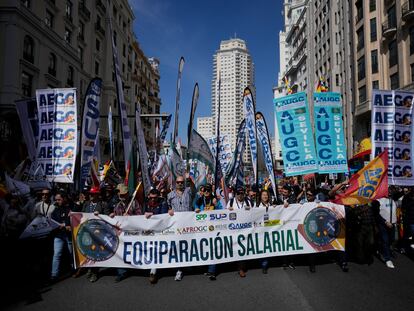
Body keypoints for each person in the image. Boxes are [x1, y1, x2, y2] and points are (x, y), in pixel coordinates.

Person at [109, 184, 140, 282]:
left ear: (127, 194)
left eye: (123, 195)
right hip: (121, 234)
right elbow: (116, 218)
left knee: (133, 250)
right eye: (120, 195)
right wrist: (113, 215)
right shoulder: (118, 205)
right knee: (120, 251)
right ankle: (121, 272)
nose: (121, 196)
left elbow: (140, 215)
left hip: (132, 232)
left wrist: (130, 216)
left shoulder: (134, 203)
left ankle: (136, 268)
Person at [167, 175, 194, 281]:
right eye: (178, 182)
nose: (180, 184)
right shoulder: (170, 195)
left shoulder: (189, 191)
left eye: (182, 182)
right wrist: (169, 210)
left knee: (189, 244)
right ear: (175, 183)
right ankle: (179, 269)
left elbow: (194, 187)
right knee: (178, 246)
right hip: (177, 225)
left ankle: (189, 264)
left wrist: (189, 179)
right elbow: (168, 207)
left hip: (188, 224)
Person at [82, 187, 111, 282]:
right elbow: (81, 215)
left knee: (95, 251)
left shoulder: (103, 204)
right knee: (88, 250)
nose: (90, 195)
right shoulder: (86, 204)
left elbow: (107, 217)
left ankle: (94, 272)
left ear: (97, 195)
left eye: (93, 194)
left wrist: (100, 214)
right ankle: (90, 268)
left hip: (99, 232)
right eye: (90, 194)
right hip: (87, 231)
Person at [227, 186, 252, 277]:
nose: (240, 195)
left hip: (245, 228)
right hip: (234, 229)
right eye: (238, 193)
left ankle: (241, 268)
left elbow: (253, 214)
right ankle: (236, 266)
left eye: (242, 193)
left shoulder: (248, 201)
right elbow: (225, 215)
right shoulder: (231, 202)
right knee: (235, 248)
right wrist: (228, 210)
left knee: (243, 248)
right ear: (235, 194)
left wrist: (250, 209)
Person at [145, 189, 169, 284]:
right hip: (148, 229)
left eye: (155, 198)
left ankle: (153, 272)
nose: (153, 199)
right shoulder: (146, 203)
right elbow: (142, 213)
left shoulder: (163, 203)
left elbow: (163, 215)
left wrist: (152, 214)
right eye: (151, 197)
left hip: (159, 230)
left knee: (156, 249)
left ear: (158, 196)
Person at [50, 192, 72, 282]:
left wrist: (66, 224)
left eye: (59, 199)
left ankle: (73, 269)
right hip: (58, 235)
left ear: (64, 199)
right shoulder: (55, 209)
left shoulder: (71, 207)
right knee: (56, 254)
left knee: (71, 253)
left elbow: (74, 219)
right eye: (56, 200)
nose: (57, 201)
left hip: (69, 235)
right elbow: (53, 220)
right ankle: (54, 274)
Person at [376, 197, 397, 268]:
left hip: (393, 224)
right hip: (383, 224)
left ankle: (381, 250)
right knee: (385, 240)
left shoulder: (392, 199)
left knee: (392, 239)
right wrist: (385, 221)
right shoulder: (378, 200)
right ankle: (387, 259)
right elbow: (377, 214)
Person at [257, 189, 272, 273]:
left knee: (268, 247)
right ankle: (264, 265)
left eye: (266, 195)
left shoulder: (272, 205)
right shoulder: (257, 206)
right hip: (261, 230)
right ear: (260, 196)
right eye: (263, 195)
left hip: (270, 229)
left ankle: (265, 263)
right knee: (262, 247)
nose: (265, 196)